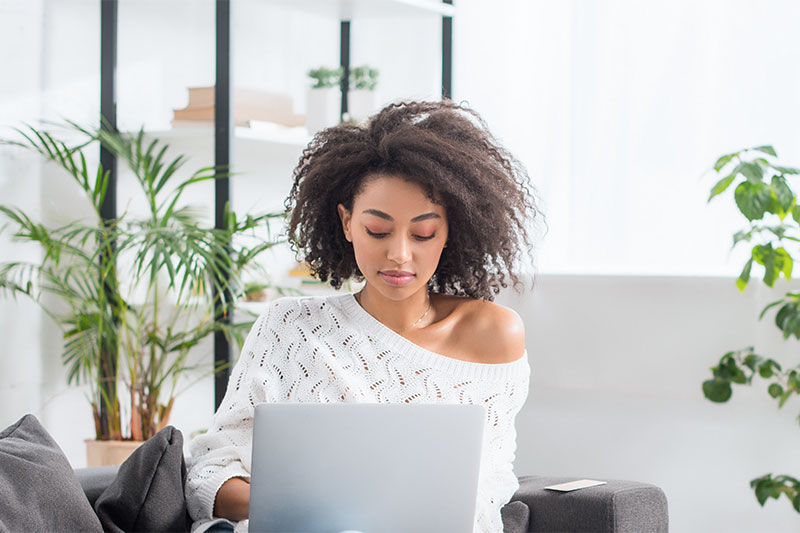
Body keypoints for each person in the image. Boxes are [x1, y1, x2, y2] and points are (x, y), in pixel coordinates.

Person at [185, 100, 539, 533]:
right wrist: (306, 504)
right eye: (378, 230)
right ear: (347, 222)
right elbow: (208, 476)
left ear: (451, 231)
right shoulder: (289, 328)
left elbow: (490, 483)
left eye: (423, 232)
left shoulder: (493, 334)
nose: (399, 254)